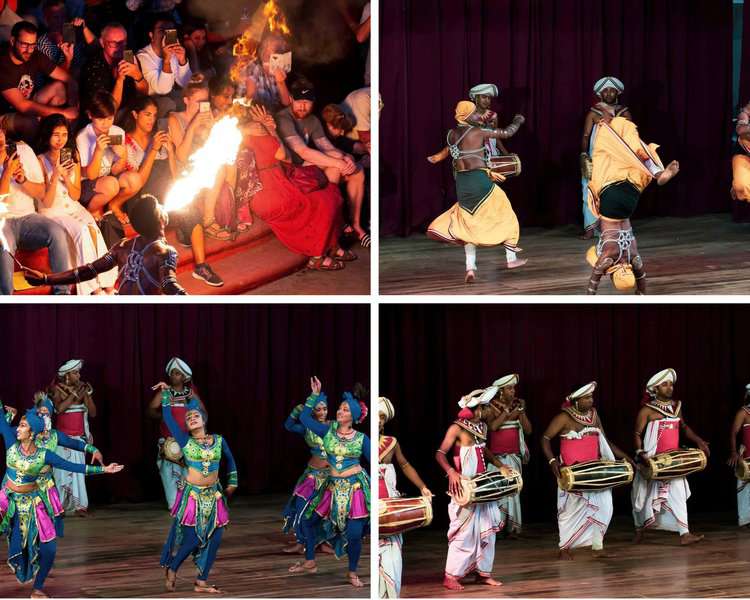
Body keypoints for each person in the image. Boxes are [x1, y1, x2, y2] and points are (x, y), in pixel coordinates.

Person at [0, 407, 122, 599]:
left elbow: (73, 466)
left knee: (49, 548)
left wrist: (104, 470)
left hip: (33, 503)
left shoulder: (45, 454)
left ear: (32, 433)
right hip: (7, 501)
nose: (17, 429)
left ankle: (37, 589)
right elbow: (1, 419)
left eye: (22, 426)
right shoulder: (11, 442)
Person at [128, 94, 224, 286]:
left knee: (191, 210)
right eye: (147, 114)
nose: (151, 119)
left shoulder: (160, 137)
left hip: (166, 193)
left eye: (154, 115)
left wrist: (170, 152)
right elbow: (138, 181)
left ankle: (201, 266)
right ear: (135, 115)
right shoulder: (128, 143)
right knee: (152, 217)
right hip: (143, 198)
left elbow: (172, 175)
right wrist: (153, 150)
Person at [427, 100, 526, 283]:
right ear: (466, 116)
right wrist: (518, 121)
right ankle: (511, 258)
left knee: (468, 224)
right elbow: (506, 133)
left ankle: (470, 268)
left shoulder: (451, 134)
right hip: (479, 181)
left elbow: (445, 153)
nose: (478, 115)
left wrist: (434, 158)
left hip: (462, 185)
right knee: (506, 212)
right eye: (474, 113)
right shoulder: (478, 132)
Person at [245, 104, 351, 271]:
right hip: (269, 193)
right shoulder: (248, 134)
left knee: (329, 193)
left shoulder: (260, 131)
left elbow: (285, 159)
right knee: (326, 199)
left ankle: (331, 245)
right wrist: (268, 129)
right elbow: (283, 156)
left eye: (267, 115)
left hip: (280, 183)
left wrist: (270, 129)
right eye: (261, 115)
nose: (265, 119)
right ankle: (317, 255)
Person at [584, 113, 679, 295]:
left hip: (630, 198)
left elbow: (642, 279)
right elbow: (592, 284)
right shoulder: (607, 258)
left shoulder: (633, 257)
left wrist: (640, 294)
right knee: (607, 144)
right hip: (611, 199)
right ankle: (659, 173)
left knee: (634, 162)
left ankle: (657, 172)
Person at [289, 377, 370, 588]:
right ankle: (310, 562)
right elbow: (305, 419)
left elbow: (374, 463)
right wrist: (314, 395)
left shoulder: (362, 439)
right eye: (340, 409)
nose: (339, 412)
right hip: (332, 487)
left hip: (355, 489)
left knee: (353, 534)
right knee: (307, 521)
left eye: (344, 410)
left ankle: (352, 572)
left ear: (352, 415)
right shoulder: (327, 432)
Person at [23, 193, 187, 294]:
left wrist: (46, 279)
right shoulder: (165, 252)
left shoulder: (123, 246)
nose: (164, 207)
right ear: (161, 220)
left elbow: (89, 270)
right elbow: (168, 284)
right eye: (160, 207)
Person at [541, 381, 634, 559]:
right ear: (576, 401)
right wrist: (553, 461)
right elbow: (545, 439)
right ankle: (564, 548)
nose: (591, 400)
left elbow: (605, 441)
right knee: (570, 511)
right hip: (572, 474)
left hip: (595, 472)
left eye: (591, 397)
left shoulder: (594, 415)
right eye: (586, 398)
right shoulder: (564, 417)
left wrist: (626, 457)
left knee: (604, 507)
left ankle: (597, 546)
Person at [158, 390, 237, 594]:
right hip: (193, 497)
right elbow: (167, 416)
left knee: (216, 537)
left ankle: (201, 581)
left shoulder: (219, 440)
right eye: (188, 417)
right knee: (192, 538)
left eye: (195, 415)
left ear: (204, 419)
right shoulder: (185, 441)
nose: (192, 418)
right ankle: (172, 568)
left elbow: (230, 460)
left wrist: (233, 482)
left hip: (214, 495)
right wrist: (166, 395)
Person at [276, 81, 368, 247]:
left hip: (309, 165)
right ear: (291, 99)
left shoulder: (313, 120)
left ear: (313, 102)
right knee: (334, 168)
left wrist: (345, 157)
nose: (303, 107)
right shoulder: (284, 118)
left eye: (307, 102)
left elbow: (326, 147)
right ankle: (336, 224)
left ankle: (355, 225)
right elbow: (303, 151)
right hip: (292, 170)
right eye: (299, 102)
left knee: (357, 171)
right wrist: (339, 163)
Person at [435, 387, 507, 590]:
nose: (487, 410)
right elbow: (440, 453)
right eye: (484, 407)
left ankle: (483, 573)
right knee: (464, 532)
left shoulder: (482, 427)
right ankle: (450, 576)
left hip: (483, 486)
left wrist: (501, 466)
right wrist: (451, 471)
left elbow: (485, 451)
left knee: (488, 531)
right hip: (465, 487)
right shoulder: (456, 428)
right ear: (475, 409)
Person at [36, 113, 115, 294]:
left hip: (72, 206)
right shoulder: (40, 160)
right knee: (81, 231)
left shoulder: (73, 155)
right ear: (47, 135)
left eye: (64, 135)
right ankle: (93, 289)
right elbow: (46, 201)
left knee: (92, 228)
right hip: (52, 211)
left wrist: (66, 177)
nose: (60, 140)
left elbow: (75, 195)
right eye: (56, 134)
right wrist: (56, 174)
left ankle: (109, 285)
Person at [632, 368, 709, 545]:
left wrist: (699, 441)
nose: (669, 388)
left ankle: (684, 534)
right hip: (652, 460)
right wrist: (640, 452)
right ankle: (639, 529)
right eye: (664, 385)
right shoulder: (647, 411)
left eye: (671, 385)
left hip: (672, 461)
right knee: (641, 496)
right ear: (655, 389)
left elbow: (684, 427)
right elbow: (636, 433)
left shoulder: (676, 407)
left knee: (679, 494)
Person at [0, 125, 72, 294]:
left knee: (57, 232)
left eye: (0, 132)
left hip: (28, 218)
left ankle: (62, 293)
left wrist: (23, 179)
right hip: (3, 222)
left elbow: (41, 192)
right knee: (4, 246)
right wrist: (6, 173)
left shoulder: (23, 150)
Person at [168, 79, 236, 244]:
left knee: (229, 163)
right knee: (218, 169)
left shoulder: (209, 117)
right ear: (186, 100)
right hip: (183, 169)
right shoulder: (175, 119)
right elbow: (181, 157)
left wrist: (213, 128)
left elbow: (217, 148)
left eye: (205, 102)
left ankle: (227, 215)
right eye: (198, 102)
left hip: (201, 164)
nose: (202, 106)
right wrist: (193, 127)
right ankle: (208, 220)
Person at [378, 396, 431, 598]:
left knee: (392, 555)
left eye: (383, 418)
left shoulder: (392, 443)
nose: (380, 421)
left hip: (391, 506)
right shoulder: (359, 442)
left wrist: (423, 487)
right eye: (377, 417)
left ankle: (390, 594)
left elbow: (405, 465)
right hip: (368, 503)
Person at [30, 390, 103, 532]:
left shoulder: (54, 436)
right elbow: (7, 431)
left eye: (46, 413)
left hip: (44, 484)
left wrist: (93, 451)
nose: (43, 416)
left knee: (45, 529)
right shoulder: (25, 431)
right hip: (21, 484)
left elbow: (74, 448)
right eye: (40, 413)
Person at [0, 21, 78, 140]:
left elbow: (68, 79)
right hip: (5, 114)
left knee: (59, 87)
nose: (29, 50)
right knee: (30, 122)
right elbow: (23, 106)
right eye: (24, 44)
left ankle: (52, 135)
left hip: (30, 103)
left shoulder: (35, 54)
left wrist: (72, 107)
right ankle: (36, 151)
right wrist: (63, 113)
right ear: (12, 41)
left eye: (32, 45)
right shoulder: (3, 65)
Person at [147, 357, 206, 509]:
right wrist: (162, 417)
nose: (174, 376)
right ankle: (174, 504)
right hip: (168, 441)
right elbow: (151, 410)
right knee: (169, 475)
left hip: (187, 440)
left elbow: (204, 414)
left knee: (189, 473)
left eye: (178, 374)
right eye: (172, 373)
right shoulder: (165, 393)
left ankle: (188, 503)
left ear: (184, 377)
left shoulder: (190, 394)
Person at [580, 77, 632, 238]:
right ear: (600, 94)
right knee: (589, 190)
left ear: (617, 92)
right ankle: (590, 229)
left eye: (612, 90)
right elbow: (586, 136)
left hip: (616, 158)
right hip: (596, 157)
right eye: (605, 90)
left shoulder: (624, 112)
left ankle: (613, 229)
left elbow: (630, 135)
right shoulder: (594, 113)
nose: (609, 93)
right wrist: (584, 154)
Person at [282, 393, 330, 555]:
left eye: (325, 409)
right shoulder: (307, 428)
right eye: (318, 409)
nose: (323, 412)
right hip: (312, 474)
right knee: (301, 507)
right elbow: (288, 425)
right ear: (312, 412)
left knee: (324, 510)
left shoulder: (334, 426)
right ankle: (301, 541)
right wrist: (297, 410)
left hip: (331, 475)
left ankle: (322, 542)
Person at [48, 358, 97, 515]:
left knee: (78, 474)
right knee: (61, 474)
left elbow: (94, 413)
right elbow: (60, 409)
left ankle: (79, 506)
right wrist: (75, 395)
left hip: (78, 440)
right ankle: (60, 506)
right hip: (62, 440)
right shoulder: (56, 390)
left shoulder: (83, 390)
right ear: (66, 375)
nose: (79, 375)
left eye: (78, 372)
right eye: (75, 372)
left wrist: (86, 395)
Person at [484, 373, 531, 536]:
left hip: (513, 457)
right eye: (509, 389)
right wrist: (507, 412)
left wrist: (522, 411)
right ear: (501, 391)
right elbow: (493, 427)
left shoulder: (519, 405)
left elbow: (528, 430)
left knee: (513, 492)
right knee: (498, 493)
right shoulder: (490, 407)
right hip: (498, 458)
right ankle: (496, 527)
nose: (513, 391)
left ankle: (512, 528)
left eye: (513, 388)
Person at [75, 90, 132, 220]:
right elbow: (90, 175)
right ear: (90, 115)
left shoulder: (117, 132)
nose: (106, 123)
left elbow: (116, 169)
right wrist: (98, 151)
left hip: (106, 178)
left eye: (110, 118)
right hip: (86, 185)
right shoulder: (83, 136)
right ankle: (88, 213)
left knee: (133, 179)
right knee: (111, 184)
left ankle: (111, 206)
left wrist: (123, 156)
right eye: (100, 119)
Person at [79, 21, 148, 111]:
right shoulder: (93, 67)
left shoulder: (130, 58)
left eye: (122, 42)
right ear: (102, 43)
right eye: (113, 43)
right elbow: (107, 112)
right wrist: (119, 80)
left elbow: (144, 94)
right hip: (107, 117)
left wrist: (138, 76)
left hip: (130, 110)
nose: (119, 47)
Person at [136, 16, 192, 117]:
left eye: (169, 31)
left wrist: (182, 60)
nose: (166, 35)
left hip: (170, 96)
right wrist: (166, 61)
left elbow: (186, 83)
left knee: (192, 97)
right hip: (150, 101)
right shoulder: (143, 57)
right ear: (151, 35)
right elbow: (162, 89)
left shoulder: (173, 52)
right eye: (161, 31)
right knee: (167, 103)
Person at [242, 32, 291, 113]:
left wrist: (281, 82)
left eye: (275, 55)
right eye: (267, 55)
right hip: (254, 113)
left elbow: (286, 102)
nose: (268, 60)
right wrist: (250, 93)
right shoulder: (254, 67)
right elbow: (247, 100)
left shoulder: (278, 70)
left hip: (275, 114)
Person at [728, 384, 750, 528]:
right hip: (747, 455)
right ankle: (746, 519)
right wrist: (734, 452)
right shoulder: (743, 412)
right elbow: (733, 433)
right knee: (746, 489)